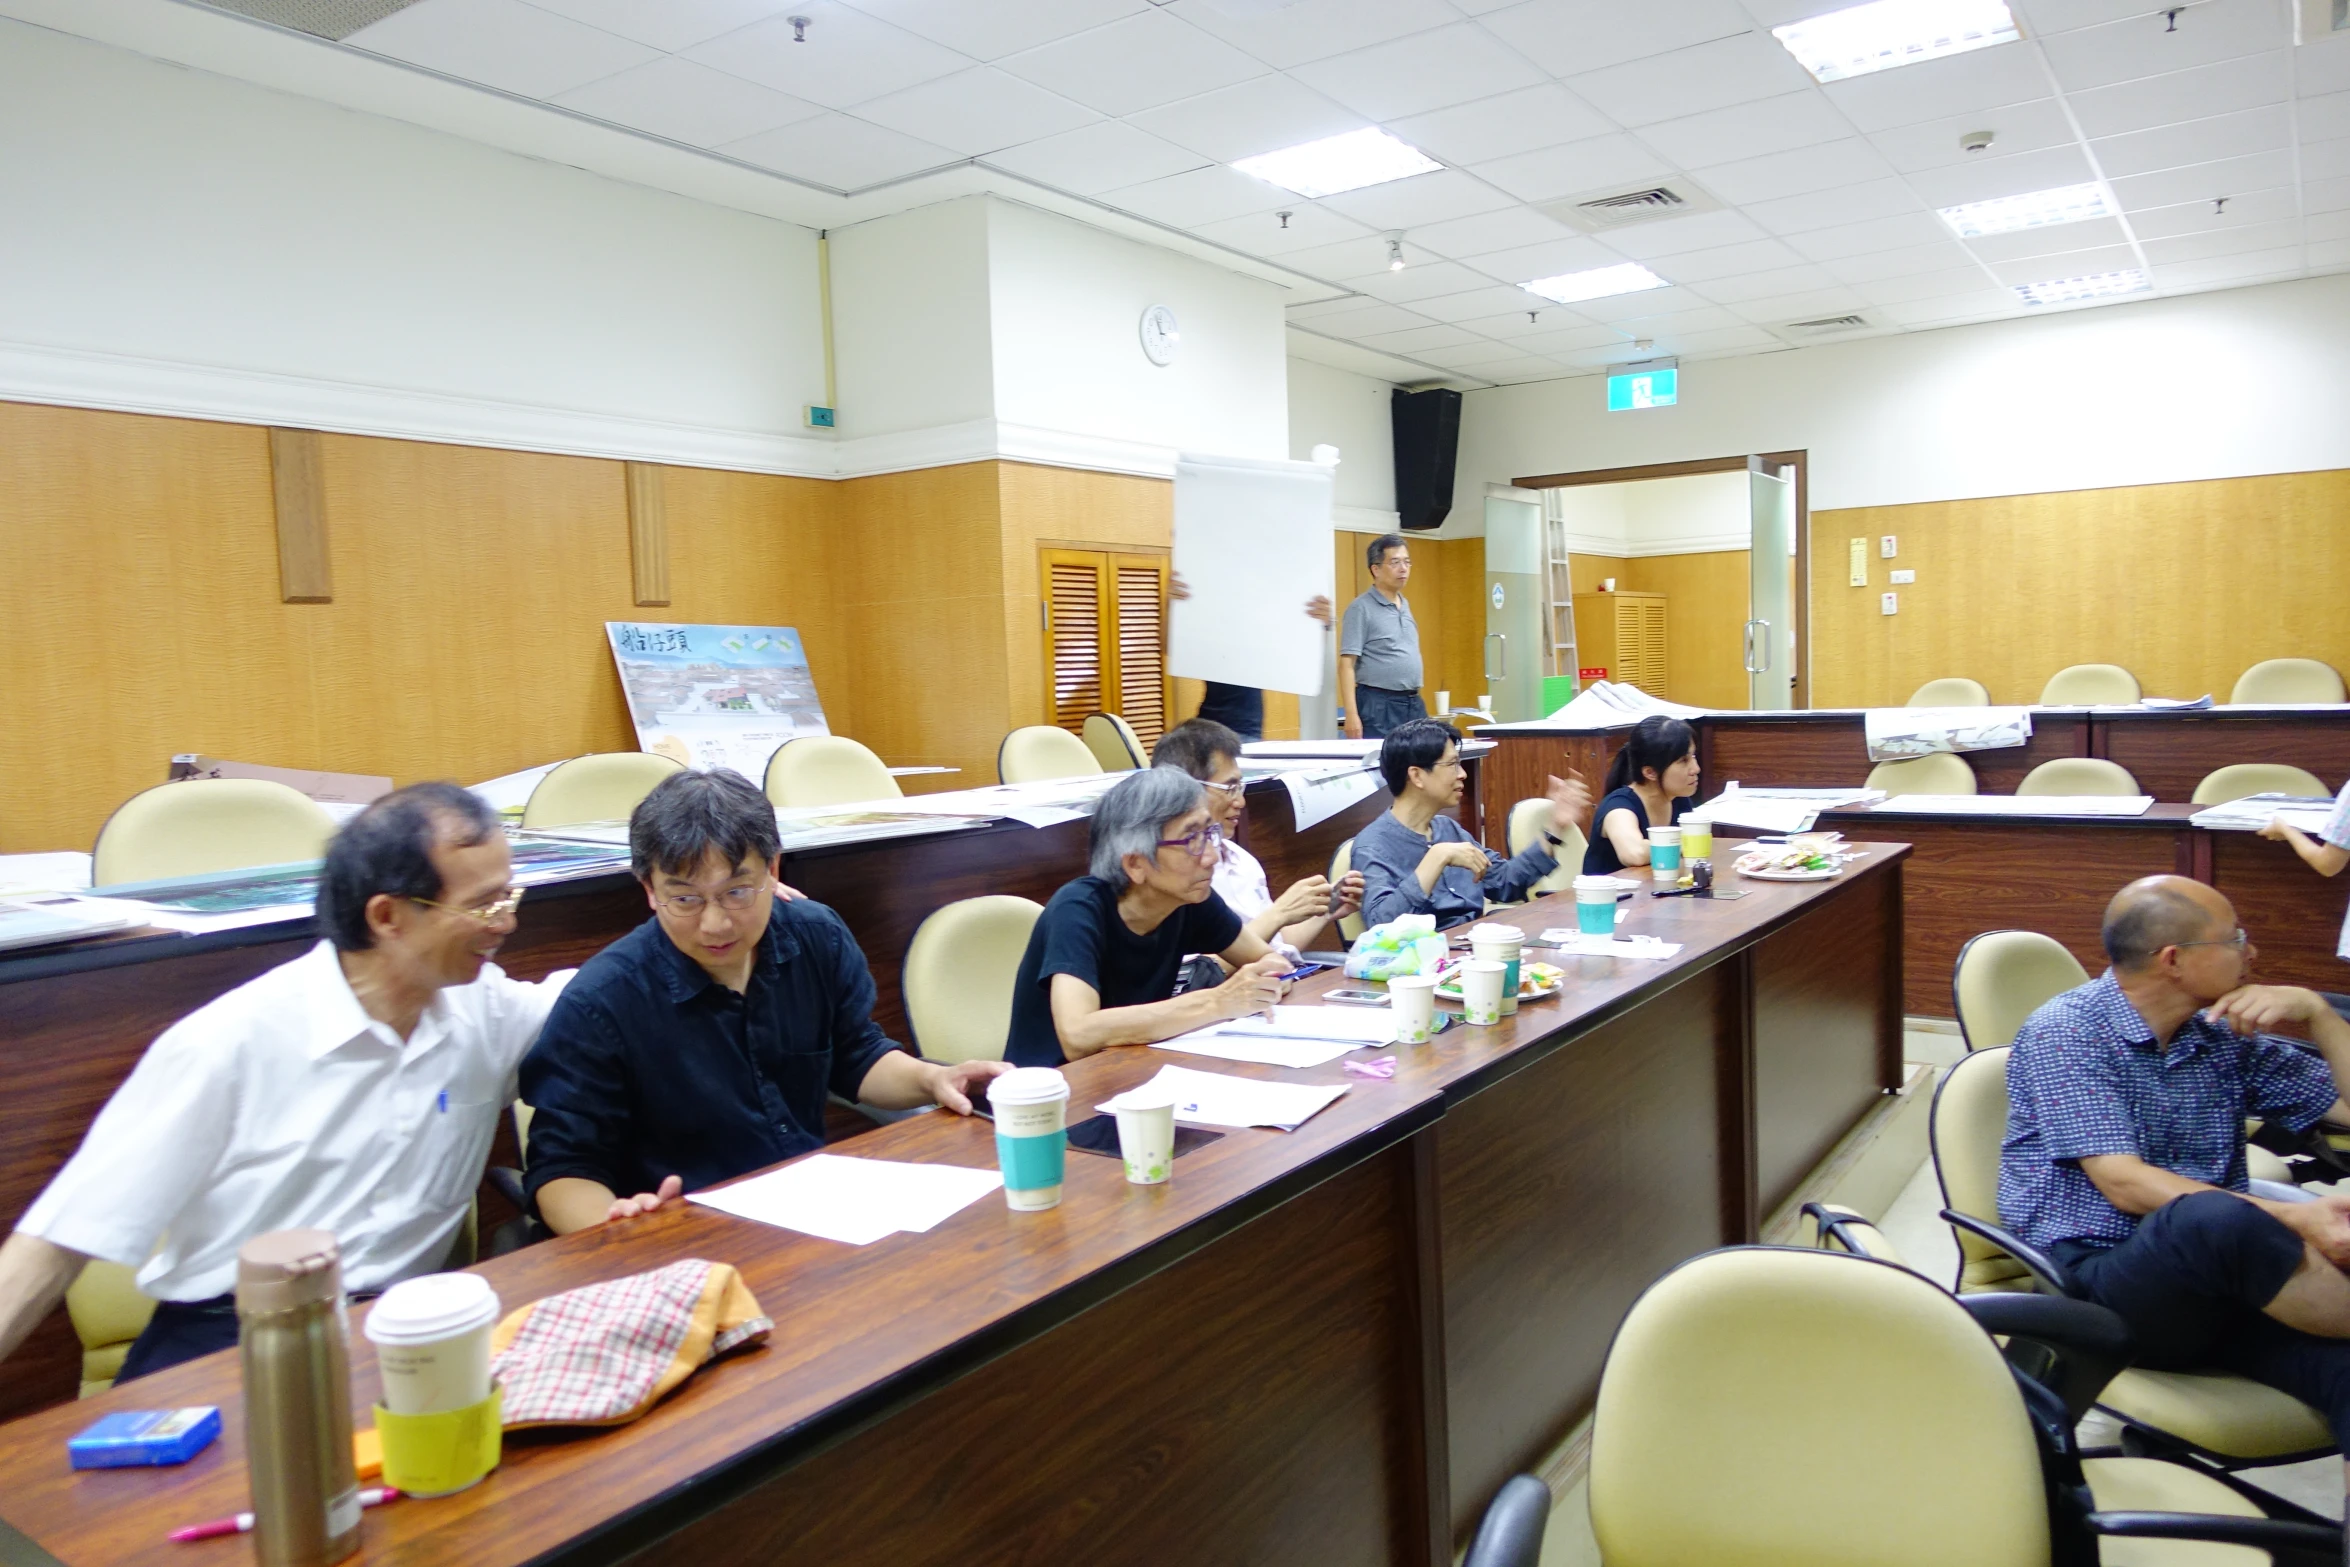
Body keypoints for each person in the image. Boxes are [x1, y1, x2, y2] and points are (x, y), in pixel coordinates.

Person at [0, 784, 572, 1379]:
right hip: (232, 1343)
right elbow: (57, 1242)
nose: (506, 922)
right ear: (387, 916)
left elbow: (610, 995)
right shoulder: (228, 1045)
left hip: (398, 1340)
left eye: (509, 894)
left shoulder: (488, 1011)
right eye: (482, 905)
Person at [519, 770, 1007, 1234]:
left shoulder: (817, 937)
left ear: (773, 869)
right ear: (648, 889)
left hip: (809, 1217)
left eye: (737, 891)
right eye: (685, 899)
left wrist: (932, 1077)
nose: (715, 924)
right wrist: (613, 1225)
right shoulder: (601, 1003)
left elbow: (855, 1055)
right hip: (678, 1241)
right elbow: (562, 1168)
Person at [2000, 875, 2350, 1463]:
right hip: (2104, 1286)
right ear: (2174, 960)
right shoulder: (2067, 1031)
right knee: (2210, 1216)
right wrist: (2302, 1222)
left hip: (2224, 1285)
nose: (2252, 952)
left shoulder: (2215, 1033)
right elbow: (2125, 1182)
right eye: (2237, 939)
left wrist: (2317, 1014)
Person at [1004, 766, 1293, 1068]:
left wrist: (1268, 979)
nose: (1210, 856)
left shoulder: (1190, 899)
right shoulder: (1078, 908)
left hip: (1131, 1070)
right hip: (1054, 1093)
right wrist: (1217, 1001)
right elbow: (1078, 1035)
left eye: (1210, 833)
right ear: (1135, 864)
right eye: (1191, 840)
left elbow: (1271, 963)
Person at [1150, 717, 1363, 962]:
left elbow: (1276, 946)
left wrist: (1324, 911)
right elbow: (1202, 972)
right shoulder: (1171, 874)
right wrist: (1280, 913)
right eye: (1229, 788)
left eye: (1240, 787)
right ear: (1185, 787)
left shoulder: (1240, 858)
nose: (1240, 802)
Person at [1353, 719, 1590, 929]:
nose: (1462, 774)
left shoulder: (1448, 829)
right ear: (1416, 776)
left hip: (1472, 947)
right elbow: (1380, 925)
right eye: (1452, 765)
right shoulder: (1373, 846)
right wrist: (1436, 858)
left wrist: (1555, 828)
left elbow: (1505, 882)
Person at [1170, 574, 1334, 743]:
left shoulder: (1260, 633)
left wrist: (1322, 624)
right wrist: (1174, 607)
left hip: (1237, 730)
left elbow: (1304, 657)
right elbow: (1171, 647)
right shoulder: (1216, 628)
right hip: (1217, 730)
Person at [1583, 716, 1700, 876]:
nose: (1696, 769)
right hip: (1613, 899)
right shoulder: (1618, 807)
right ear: (1650, 772)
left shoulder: (1680, 801)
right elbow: (1634, 853)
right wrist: (1690, 842)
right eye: (1683, 760)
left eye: (1693, 756)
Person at [1339, 533, 1425, 739]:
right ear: (1375, 569)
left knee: (1422, 761)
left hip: (1412, 701)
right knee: (1384, 765)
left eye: (1406, 562)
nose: (1403, 568)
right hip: (1378, 704)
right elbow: (1346, 665)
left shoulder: (1404, 604)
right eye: (1395, 562)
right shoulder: (1361, 608)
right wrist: (1351, 714)